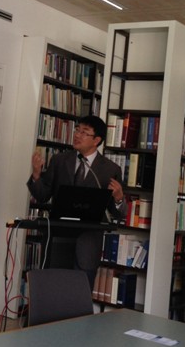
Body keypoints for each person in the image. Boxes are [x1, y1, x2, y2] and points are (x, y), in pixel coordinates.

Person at [27, 114, 126, 291]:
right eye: (77, 130)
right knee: (53, 291)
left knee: (80, 293)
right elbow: (42, 196)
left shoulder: (110, 169)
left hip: (88, 242)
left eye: (84, 132)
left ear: (96, 140)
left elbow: (117, 212)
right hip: (58, 238)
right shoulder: (59, 161)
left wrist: (119, 198)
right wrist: (36, 175)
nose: (77, 135)